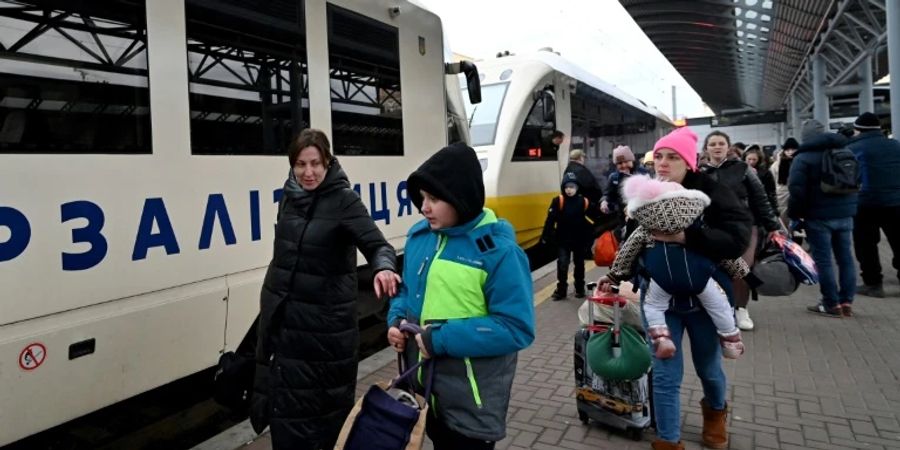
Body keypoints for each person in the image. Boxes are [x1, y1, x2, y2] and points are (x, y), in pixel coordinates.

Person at [597, 127, 752, 450]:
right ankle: (668, 439)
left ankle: (716, 416)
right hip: (661, 299)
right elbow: (631, 245)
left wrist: (688, 237)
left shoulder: (714, 195)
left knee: (709, 368)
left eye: (673, 157)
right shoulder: (646, 196)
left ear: (690, 162)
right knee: (666, 375)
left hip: (704, 300)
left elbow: (735, 241)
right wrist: (614, 277)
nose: (663, 164)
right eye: (659, 158)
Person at [250, 129, 401, 450]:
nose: (308, 172)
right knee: (286, 422)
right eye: (301, 164)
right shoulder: (289, 198)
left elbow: (377, 245)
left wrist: (384, 266)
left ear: (328, 162)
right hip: (288, 333)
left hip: (325, 339)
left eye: (315, 163)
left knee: (320, 427)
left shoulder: (344, 201)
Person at [386, 143, 536, 450]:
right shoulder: (420, 238)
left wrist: (438, 339)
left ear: (461, 198)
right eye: (422, 198)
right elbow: (406, 291)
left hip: (472, 404)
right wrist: (397, 319)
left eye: (434, 198)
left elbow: (516, 328)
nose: (424, 207)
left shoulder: (500, 252)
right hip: (428, 396)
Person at [603, 174, 747, 360]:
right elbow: (721, 252)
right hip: (701, 280)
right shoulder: (697, 229)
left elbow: (626, 254)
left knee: (653, 307)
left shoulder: (646, 230)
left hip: (661, 282)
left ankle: (661, 338)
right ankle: (731, 340)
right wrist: (741, 270)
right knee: (720, 305)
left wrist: (614, 276)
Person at [700, 131, 780, 331]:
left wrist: (772, 226)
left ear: (728, 147)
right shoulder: (699, 173)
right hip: (713, 228)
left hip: (744, 227)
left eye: (721, 143)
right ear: (706, 149)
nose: (717, 147)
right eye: (712, 144)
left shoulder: (744, 169)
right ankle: (719, 308)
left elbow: (761, 198)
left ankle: (740, 309)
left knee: (743, 267)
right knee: (715, 268)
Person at [788, 120, 858, 317]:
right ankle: (847, 301)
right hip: (845, 215)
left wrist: (795, 216)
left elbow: (796, 190)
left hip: (818, 216)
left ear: (805, 137)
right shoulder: (846, 152)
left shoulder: (803, 158)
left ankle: (831, 303)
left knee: (824, 260)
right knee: (845, 258)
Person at [847, 112, 900, 298]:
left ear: (858, 130)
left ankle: (874, 284)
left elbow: (850, 177)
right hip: (896, 202)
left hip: (865, 203)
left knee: (866, 245)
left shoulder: (852, 148)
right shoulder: (895, 145)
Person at [541, 174, 597, 300]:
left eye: (572, 187)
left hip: (579, 240)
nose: (569, 190)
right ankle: (561, 290)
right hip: (563, 240)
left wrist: (589, 239)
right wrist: (545, 236)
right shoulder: (558, 201)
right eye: (566, 187)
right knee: (562, 264)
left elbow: (592, 221)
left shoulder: (584, 202)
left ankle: (579, 288)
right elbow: (550, 220)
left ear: (577, 187)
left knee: (579, 265)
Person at [771, 137, 799, 223]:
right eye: (787, 150)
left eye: (793, 149)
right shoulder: (776, 165)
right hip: (781, 195)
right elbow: (772, 180)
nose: (790, 152)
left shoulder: (801, 162)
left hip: (797, 194)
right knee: (783, 220)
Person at [742, 145, 778, 212]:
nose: (751, 162)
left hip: (760, 204)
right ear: (745, 158)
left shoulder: (765, 172)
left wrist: (774, 208)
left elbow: (771, 191)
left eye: (754, 159)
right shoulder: (739, 171)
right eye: (749, 159)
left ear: (758, 160)